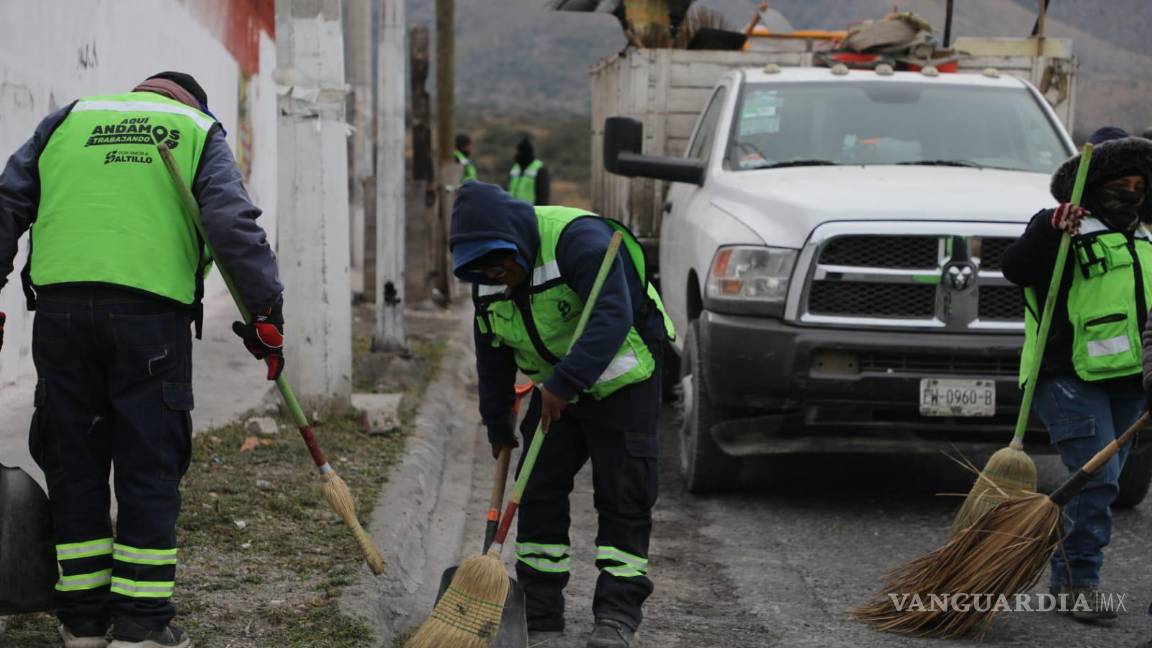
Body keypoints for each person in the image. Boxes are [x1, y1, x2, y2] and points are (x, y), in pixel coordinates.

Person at [0, 71, 284, 648]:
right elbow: (232, 227)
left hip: (61, 317)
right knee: (148, 464)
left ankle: (81, 623)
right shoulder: (199, 129)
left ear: (139, 94)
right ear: (189, 102)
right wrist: (265, 315)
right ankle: (141, 627)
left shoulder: (68, 119)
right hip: (150, 320)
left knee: (71, 459)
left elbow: (8, 202)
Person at [450, 182, 674, 648]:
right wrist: (498, 421)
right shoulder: (488, 280)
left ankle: (616, 614)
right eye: (482, 269)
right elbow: (491, 350)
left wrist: (566, 383)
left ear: (515, 240)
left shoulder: (581, 243)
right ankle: (539, 606)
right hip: (557, 386)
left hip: (624, 380)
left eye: (499, 263)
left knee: (624, 494)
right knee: (537, 487)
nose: (496, 275)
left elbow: (612, 316)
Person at [1003, 127, 1152, 622]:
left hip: (1131, 381)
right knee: (1098, 478)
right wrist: (1050, 227)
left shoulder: (1146, 238)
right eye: (1119, 183)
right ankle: (1077, 583)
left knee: (1101, 483)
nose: (1130, 192)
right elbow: (1016, 269)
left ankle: (1070, 575)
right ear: (1093, 184)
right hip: (1065, 376)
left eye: (1139, 184)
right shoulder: (1064, 231)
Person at [508, 137, 550, 205]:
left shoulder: (539, 169)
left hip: (530, 211)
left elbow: (543, 195)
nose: (517, 154)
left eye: (520, 151)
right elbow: (508, 188)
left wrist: (538, 212)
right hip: (512, 209)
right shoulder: (515, 168)